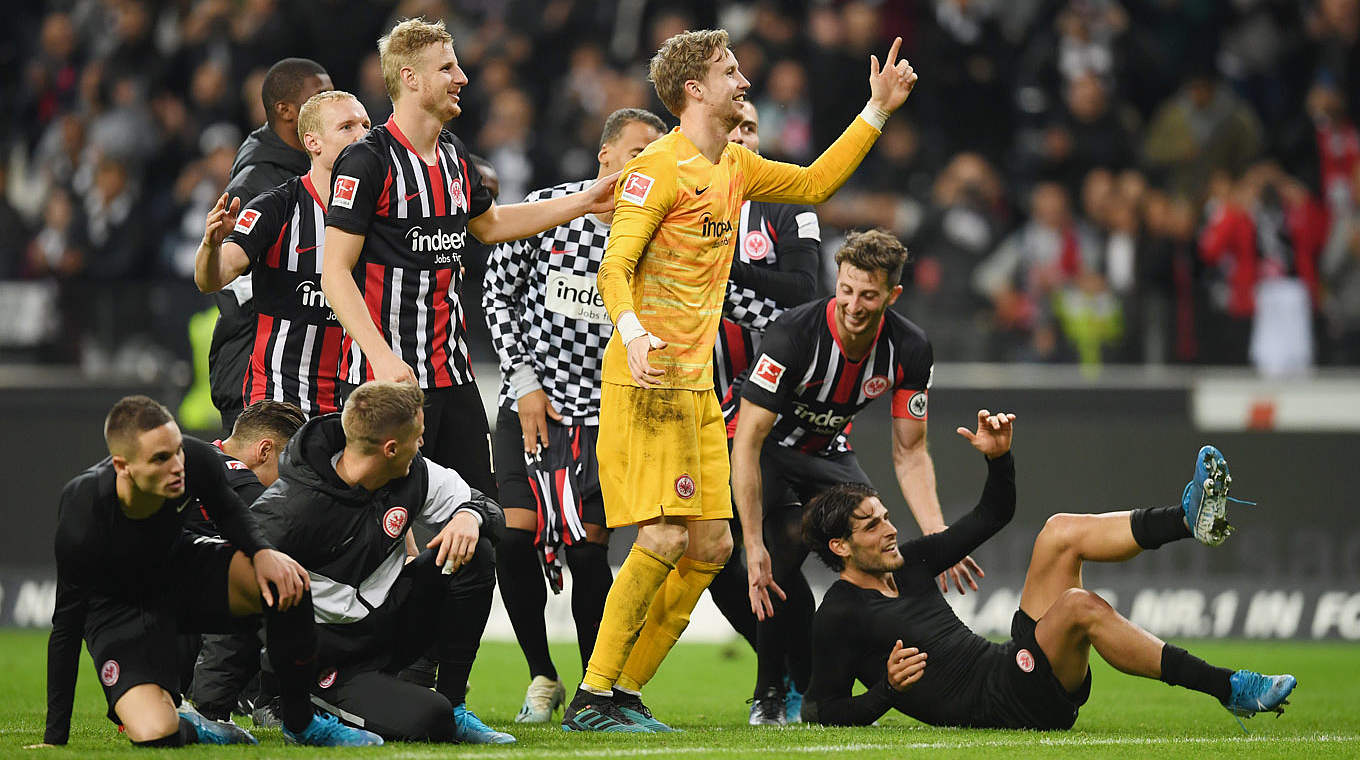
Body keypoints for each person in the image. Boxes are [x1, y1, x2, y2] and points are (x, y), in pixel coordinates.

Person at [563, 29, 919, 732]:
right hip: (647, 379)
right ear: (695, 89)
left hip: (697, 389)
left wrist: (875, 111)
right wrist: (634, 336)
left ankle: (624, 691)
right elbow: (614, 267)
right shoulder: (658, 169)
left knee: (713, 547)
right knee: (663, 540)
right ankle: (592, 696)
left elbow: (816, 182)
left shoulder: (732, 166)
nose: (744, 82)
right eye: (730, 71)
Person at [800, 411, 1298, 730]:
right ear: (840, 545)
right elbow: (824, 711)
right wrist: (886, 691)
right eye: (872, 526)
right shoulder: (839, 613)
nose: (889, 529)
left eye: (886, 516)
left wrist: (1000, 460)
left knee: (1059, 532)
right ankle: (1231, 687)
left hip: (1009, 667)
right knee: (1078, 607)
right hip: (1002, 706)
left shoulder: (908, 565)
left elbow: (993, 515)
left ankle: (1188, 520)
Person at [321, 17, 617, 500]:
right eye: (447, 68)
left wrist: (586, 200)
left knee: (479, 517)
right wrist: (381, 358)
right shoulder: (367, 160)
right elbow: (333, 272)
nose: (462, 78)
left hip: (453, 374)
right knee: (389, 524)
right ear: (411, 78)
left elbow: (491, 224)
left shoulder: (455, 155)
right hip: (389, 380)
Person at [730, 229, 980, 726]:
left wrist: (938, 534)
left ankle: (879, 678)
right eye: (846, 290)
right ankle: (770, 694)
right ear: (836, 282)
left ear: (893, 295)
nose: (854, 305)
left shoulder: (910, 348)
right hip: (764, 450)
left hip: (826, 451)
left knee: (877, 550)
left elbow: (910, 453)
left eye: (868, 294)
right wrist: (752, 541)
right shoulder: (794, 334)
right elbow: (749, 440)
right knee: (778, 555)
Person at [38, 396, 379, 748]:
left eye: (176, 451)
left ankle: (301, 723)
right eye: (160, 459)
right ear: (122, 466)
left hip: (178, 572)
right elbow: (66, 625)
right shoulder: (83, 512)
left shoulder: (194, 458)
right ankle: (198, 726)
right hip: (117, 610)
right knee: (155, 733)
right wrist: (54, 739)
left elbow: (230, 512)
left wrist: (263, 553)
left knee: (285, 579)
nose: (176, 466)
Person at [482, 107, 666, 724]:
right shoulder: (549, 211)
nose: (647, 163)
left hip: (607, 417)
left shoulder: (662, 230)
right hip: (531, 405)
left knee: (591, 554)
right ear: (606, 157)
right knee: (511, 534)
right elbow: (496, 294)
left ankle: (597, 688)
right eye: (638, 150)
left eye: (657, 153)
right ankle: (541, 673)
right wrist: (525, 382)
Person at [249, 380, 512, 743]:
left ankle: (455, 705)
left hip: (384, 629)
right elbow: (233, 584)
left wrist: (470, 516)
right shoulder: (293, 508)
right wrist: (215, 705)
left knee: (475, 550)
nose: (422, 443)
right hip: (325, 655)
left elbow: (488, 508)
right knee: (429, 720)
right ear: (390, 448)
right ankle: (313, 702)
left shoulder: (413, 471)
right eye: (417, 436)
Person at [703, 98, 825, 723]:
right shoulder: (686, 199)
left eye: (752, 128)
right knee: (718, 559)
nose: (744, 137)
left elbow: (807, 294)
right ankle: (800, 669)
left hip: (785, 410)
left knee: (775, 551)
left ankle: (774, 689)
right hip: (702, 407)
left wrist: (724, 274)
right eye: (734, 126)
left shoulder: (785, 203)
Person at [195, 90, 371, 417]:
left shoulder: (380, 215)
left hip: (349, 406)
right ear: (313, 142)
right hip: (278, 403)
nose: (362, 135)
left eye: (365, 124)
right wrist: (210, 246)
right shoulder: (277, 206)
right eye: (347, 127)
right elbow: (213, 278)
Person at [210, 58, 334, 433]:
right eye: (321, 96)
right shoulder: (255, 184)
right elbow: (234, 283)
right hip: (255, 373)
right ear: (286, 111)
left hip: (304, 369)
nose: (330, 104)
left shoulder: (315, 170)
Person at [184, 401, 307, 727]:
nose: (285, 482)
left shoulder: (201, 458)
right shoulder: (238, 479)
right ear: (265, 450)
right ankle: (267, 701)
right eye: (287, 469)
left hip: (148, 621)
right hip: (180, 619)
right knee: (274, 578)